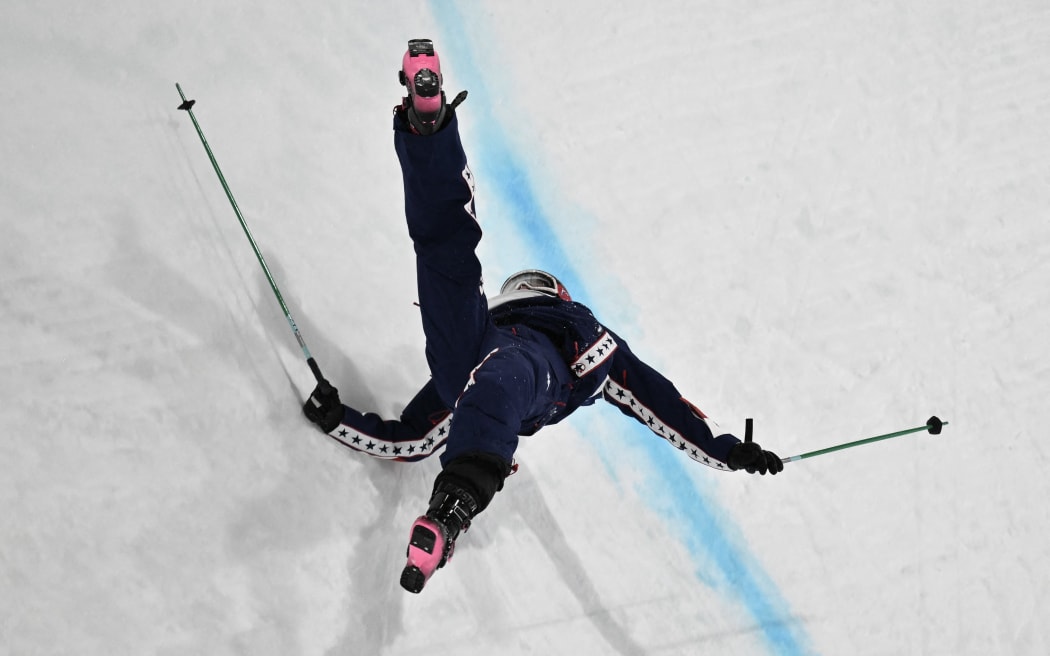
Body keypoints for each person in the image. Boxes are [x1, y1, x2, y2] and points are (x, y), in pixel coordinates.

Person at [303, 39, 783, 594]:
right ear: (557, 292)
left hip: (471, 352)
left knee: (446, 254)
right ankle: (452, 508)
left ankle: (427, 127)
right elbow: (664, 406)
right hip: (512, 368)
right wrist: (727, 453)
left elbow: (406, 440)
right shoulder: (587, 340)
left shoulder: (538, 345)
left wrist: (338, 419)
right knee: (493, 361)